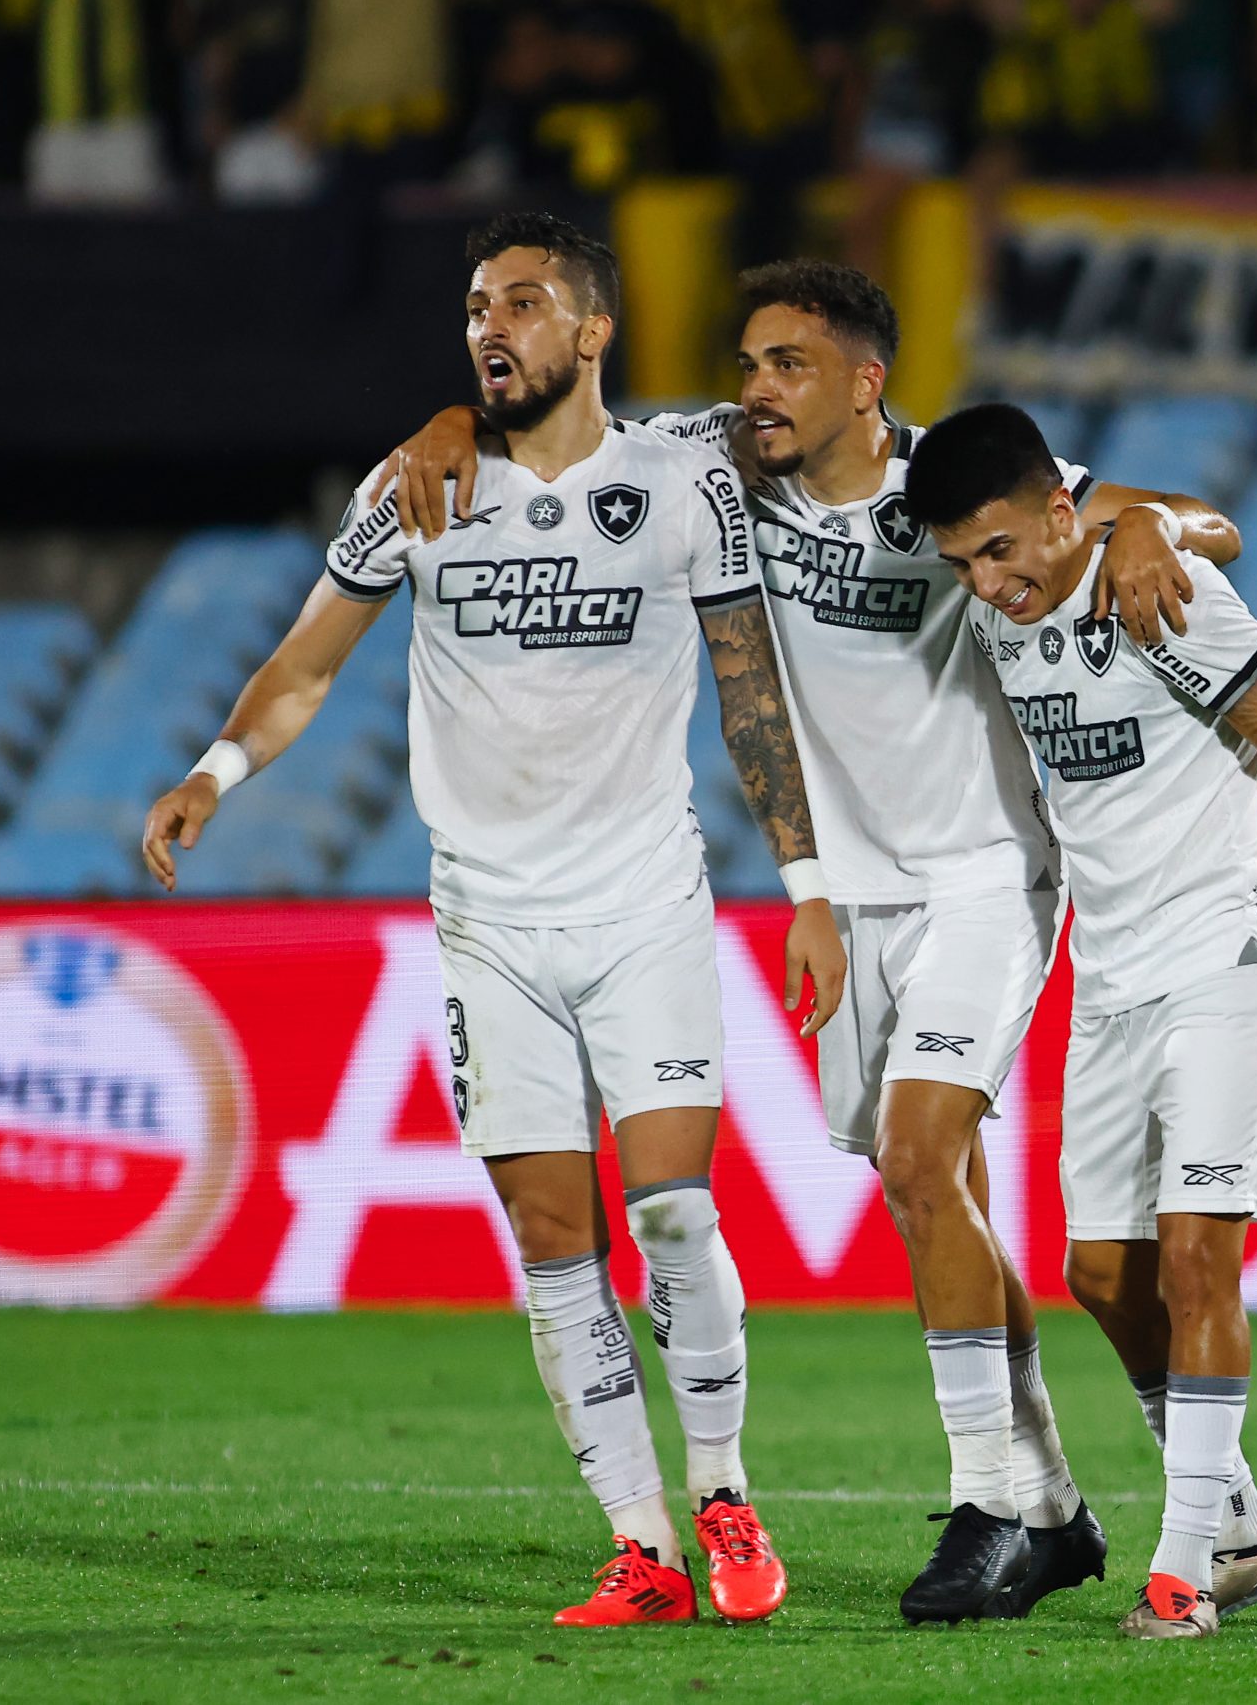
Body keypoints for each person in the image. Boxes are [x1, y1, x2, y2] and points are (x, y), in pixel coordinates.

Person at [371, 259, 1246, 1624]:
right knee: (936, 1188)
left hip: (984, 879)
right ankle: (1061, 1503)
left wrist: (1159, 534)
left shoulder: (952, 489)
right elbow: (559, 429)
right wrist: (448, 425)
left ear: (864, 382)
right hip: (849, 894)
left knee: (918, 1155)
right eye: (746, 365)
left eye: (785, 364)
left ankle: (987, 1500)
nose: (754, 389)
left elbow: (1197, 521)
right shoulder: (723, 478)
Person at [142, 213, 842, 1629]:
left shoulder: (683, 477)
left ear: (593, 330)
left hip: (644, 899)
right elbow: (306, 661)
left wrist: (812, 887)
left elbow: (751, 691)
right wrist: (216, 771)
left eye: (522, 302)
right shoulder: (415, 485)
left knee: (677, 1211)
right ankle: (639, 1538)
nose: (489, 325)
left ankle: (721, 1487)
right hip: (487, 921)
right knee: (550, 1234)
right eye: (474, 307)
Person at [910, 401, 1257, 1640]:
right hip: (1107, 977)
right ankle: (1244, 1528)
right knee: (1100, 1273)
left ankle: (1180, 1570)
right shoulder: (1018, 596)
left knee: (1199, 1253)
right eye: (962, 565)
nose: (987, 586)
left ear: (1064, 507)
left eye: (1001, 552)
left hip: (1227, 955)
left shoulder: (1154, 595)